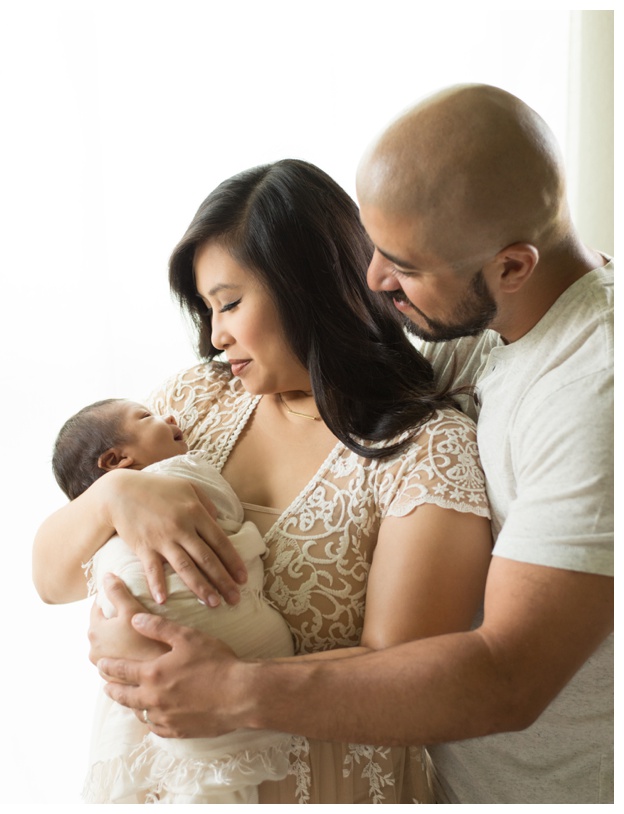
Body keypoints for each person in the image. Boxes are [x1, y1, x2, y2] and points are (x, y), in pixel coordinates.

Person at [92, 85, 613, 804]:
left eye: (403, 262)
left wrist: (234, 690)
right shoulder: (484, 328)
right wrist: (118, 488)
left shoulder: (593, 396)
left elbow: (508, 676)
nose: (372, 280)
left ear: (512, 266)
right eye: (372, 245)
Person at [33, 158, 494, 803]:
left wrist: (229, 689)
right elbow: (50, 582)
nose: (216, 335)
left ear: (311, 288)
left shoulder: (424, 450)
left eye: (229, 304)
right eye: (206, 308)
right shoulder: (190, 406)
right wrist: (115, 494)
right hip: (168, 781)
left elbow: (412, 669)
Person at [52, 398, 295, 804]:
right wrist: (112, 494)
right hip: (200, 645)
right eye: (147, 417)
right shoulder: (178, 475)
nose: (169, 416)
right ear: (117, 460)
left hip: (176, 677)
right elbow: (227, 513)